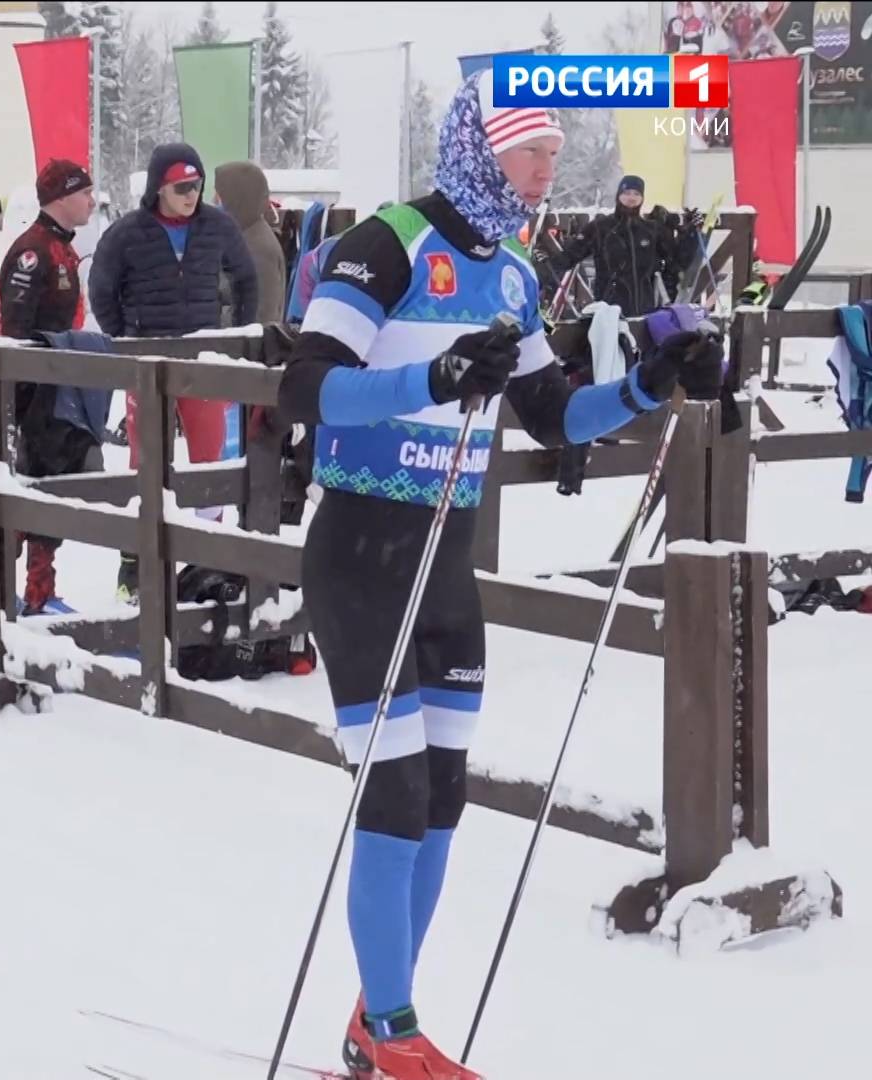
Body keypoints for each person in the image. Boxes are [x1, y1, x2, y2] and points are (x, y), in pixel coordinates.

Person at [275, 70, 723, 1079]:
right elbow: (303, 388)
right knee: (393, 796)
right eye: (529, 152)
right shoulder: (388, 243)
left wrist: (648, 384)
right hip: (362, 554)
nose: (544, 171)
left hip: (446, 563)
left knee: (442, 796)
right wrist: (432, 377)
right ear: (481, 150)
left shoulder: (516, 275)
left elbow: (554, 416)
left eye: (555, 155)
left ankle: (377, 1017)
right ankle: (394, 1035)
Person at [90, 143, 259, 602]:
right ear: (159, 188)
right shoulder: (127, 233)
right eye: (182, 187)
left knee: (211, 459)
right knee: (146, 461)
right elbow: (101, 289)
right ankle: (134, 565)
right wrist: (126, 338)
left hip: (202, 360)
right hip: (148, 362)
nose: (191, 194)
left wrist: (235, 335)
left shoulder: (217, 226)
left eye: (197, 185)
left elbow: (246, 278)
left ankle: (209, 559)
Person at [0, 158, 97, 615]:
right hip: (34, 392)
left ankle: (39, 590)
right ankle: (5, 584)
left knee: (57, 484)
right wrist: (22, 391)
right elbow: (15, 328)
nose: (92, 202)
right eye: (85, 193)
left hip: (60, 388)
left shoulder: (62, 247)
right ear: (61, 198)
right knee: (33, 488)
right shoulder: (34, 250)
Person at [545, 175, 699, 316]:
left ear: (642, 198)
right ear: (618, 195)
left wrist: (690, 233)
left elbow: (678, 261)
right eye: (627, 193)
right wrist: (545, 263)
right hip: (608, 312)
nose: (631, 198)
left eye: (636, 194)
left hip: (644, 311)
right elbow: (570, 256)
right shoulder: (600, 227)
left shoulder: (652, 230)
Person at [215, 162, 287, 325]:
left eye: (219, 197)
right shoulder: (242, 237)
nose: (215, 204)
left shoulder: (258, 249)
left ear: (237, 198)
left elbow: (260, 317)